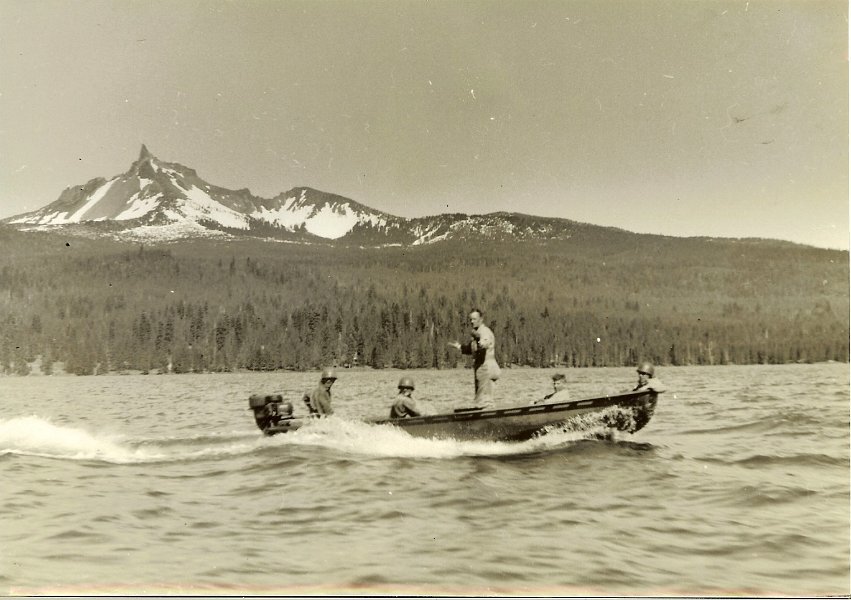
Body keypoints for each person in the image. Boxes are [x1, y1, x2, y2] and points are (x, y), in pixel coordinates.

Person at [448, 308, 501, 408]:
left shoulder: (484, 332)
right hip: (484, 369)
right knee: (484, 399)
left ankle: (485, 415)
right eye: (470, 319)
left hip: (486, 368)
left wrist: (480, 341)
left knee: (483, 401)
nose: (472, 321)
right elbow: (471, 349)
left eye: (474, 319)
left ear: (481, 319)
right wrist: (459, 346)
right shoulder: (477, 332)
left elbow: (485, 343)